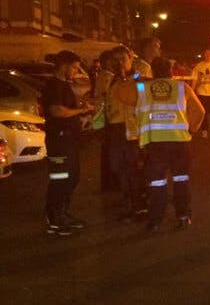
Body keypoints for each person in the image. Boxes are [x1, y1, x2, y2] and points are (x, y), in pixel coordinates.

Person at [133, 57, 205, 231]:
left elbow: (132, 103)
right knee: (181, 180)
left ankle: (155, 221)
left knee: (157, 183)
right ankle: (183, 216)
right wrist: (192, 129)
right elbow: (200, 111)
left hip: (154, 143)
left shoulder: (142, 89)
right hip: (180, 142)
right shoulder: (182, 87)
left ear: (153, 72)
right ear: (171, 72)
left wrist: (136, 76)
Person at [41, 50, 94, 236]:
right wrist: (78, 112)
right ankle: (54, 219)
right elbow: (57, 110)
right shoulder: (53, 85)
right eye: (74, 67)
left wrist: (82, 114)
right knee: (61, 179)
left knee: (72, 177)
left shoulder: (64, 85)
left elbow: (67, 109)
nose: (76, 71)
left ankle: (62, 213)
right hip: (59, 141)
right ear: (64, 65)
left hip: (69, 140)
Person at [106, 46, 145, 222]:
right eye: (116, 59)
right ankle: (130, 200)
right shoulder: (112, 79)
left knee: (132, 169)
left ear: (131, 59)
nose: (120, 63)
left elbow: (140, 95)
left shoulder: (137, 78)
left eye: (123, 59)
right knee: (118, 167)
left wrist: (126, 78)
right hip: (115, 128)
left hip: (132, 129)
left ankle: (137, 206)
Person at [93, 49, 117, 192]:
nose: (116, 62)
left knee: (107, 152)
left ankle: (108, 183)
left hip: (102, 118)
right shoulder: (107, 77)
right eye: (113, 60)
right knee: (109, 153)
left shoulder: (103, 75)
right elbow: (109, 96)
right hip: (106, 118)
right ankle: (110, 184)